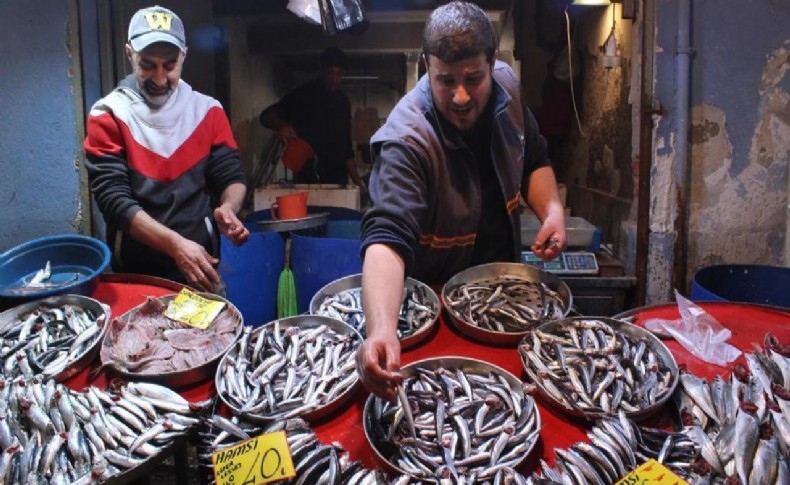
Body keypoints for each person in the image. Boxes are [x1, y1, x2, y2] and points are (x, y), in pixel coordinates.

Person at [355, 1, 567, 401]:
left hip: (506, 301)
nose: (460, 96)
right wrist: (381, 329)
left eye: (474, 78)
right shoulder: (405, 139)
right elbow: (387, 237)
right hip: (436, 314)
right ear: (424, 67)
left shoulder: (510, 90)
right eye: (445, 80)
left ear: (494, 62)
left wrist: (551, 210)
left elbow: (534, 157)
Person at [84, 5, 249, 293]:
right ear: (129, 54)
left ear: (183, 55)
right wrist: (175, 246)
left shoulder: (207, 111)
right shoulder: (109, 114)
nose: (159, 79)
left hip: (200, 268)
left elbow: (230, 174)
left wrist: (229, 208)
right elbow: (115, 203)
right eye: (147, 65)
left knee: (205, 337)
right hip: (136, 274)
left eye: (169, 65)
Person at [259, 47, 364, 188]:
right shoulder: (302, 95)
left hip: (337, 182)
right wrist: (282, 126)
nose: (334, 79)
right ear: (321, 70)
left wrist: (358, 182)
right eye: (330, 73)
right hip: (307, 181)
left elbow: (347, 147)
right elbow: (266, 116)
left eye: (338, 74)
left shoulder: (342, 102)